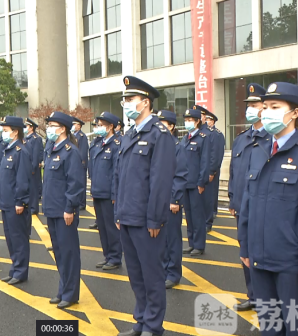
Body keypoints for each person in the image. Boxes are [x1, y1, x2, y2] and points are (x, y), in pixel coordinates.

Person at [238, 82, 298, 335]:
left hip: (291, 263)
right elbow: (248, 203)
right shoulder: (258, 151)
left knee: (297, 328)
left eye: (275, 107)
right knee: (269, 326)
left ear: (294, 113)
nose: (266, 112)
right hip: (258, 258)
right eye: (265, 107)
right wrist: (245, 246)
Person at [114, 76, 175, 336]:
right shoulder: (130, 135)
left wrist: (155, 219)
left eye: (130, 100)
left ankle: (153, 326)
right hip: (127, 216)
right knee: (136, 275)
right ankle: (140, 320)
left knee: (152, 277)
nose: (126, 104)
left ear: (145, 103)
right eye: (124, 100)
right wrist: (118, 213)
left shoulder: (159, 135)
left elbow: (160, 182)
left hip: (146, 220)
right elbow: (121, 177)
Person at [228, 83, 269, 312]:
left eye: (254, 105)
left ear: (265, 107)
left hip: (263, 207)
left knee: (262, 252)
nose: (249, 109)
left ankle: (265, 298)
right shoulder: (241, 138)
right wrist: (233, 199)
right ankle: (252, 295)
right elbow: (235, 172)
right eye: (248, 105)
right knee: (245, 252)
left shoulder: (271, 139)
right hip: (242, 206)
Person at [43, 111, 85, 309]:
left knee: (68, 253)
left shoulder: (70, 151)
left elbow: (75, 183)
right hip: (52, 209)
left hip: (64, 211)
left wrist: (70, 208)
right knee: (59, 253)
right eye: (49, 125)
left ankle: (71, 293)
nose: (49, 129)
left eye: (52, 125)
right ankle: (63, 289)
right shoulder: (52, 149)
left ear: (62, 129)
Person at [0, 116, 32, 285]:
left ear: (15, 131)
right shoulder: (8, 150)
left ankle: (20, 272)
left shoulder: (21, 152)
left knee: (19, 238)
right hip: (6, 202)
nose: (3, 133)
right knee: (10, 239)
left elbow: (22, 180)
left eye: (5, 130)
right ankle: (15, 268)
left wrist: (20, 201)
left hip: (15, 203)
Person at [157, 110, 187, 289]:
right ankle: (163, 269)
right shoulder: (158, 145)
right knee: (160, 239)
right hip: (158, 200)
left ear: (172, 126)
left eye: (164, 124)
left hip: (170, 200)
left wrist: (175, 199)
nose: (160, 127)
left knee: (172, 238)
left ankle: (174, 273)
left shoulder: (177, 146)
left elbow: (180, 175)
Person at [89, 112, 122, 271]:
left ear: (110, 127)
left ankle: (115, 257)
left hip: (109, 194)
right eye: (97, 125)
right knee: (102, 227)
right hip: (98, 191)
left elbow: (117, 172)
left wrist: (115, 195)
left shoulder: (116, 144)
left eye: (101, 125)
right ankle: (107, 255)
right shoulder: (97, 144)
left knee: (111, 227)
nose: (98, 127)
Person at [180, 106, 211, 257]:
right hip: (185, 183)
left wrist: (201, 182)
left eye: (190, 120)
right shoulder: (185, 139)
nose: (187, 123)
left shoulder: (203, 138)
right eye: (186, 120)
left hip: (196, 184)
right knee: (189, 216)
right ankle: (191, 243)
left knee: (198, 216)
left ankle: (199, 245)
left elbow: (205, 163)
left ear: (198, 121)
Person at [204, 111, 224, 232]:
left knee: (211, 192)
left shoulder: (217, 134)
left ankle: (212, 213)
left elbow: (217, 153)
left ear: (213, 121)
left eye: (209, 120)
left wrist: (213, 170)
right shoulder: (204, 133)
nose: (207, 121)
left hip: (213, 168)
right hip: (205, 168)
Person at [24, 118, 43, 215]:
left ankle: (34, 207)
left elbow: (35, 154)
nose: (25, 128)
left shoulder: (36, 138)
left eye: (26, 126)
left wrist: (33, 167)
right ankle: (29, 205)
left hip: (32, 167)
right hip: (26, 166)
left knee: (34, 188)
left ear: (31, 128)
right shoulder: (26, 138)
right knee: (28, 188)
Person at [71, 117, 88, 211]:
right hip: (75, 162)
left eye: (75, 124)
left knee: (82, 183)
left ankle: (82, 202)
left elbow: (83, 151)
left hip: (80, 163)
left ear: (79, 126)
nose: (73, 126)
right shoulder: (73, 135)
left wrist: (82, 162)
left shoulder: (82, 136)